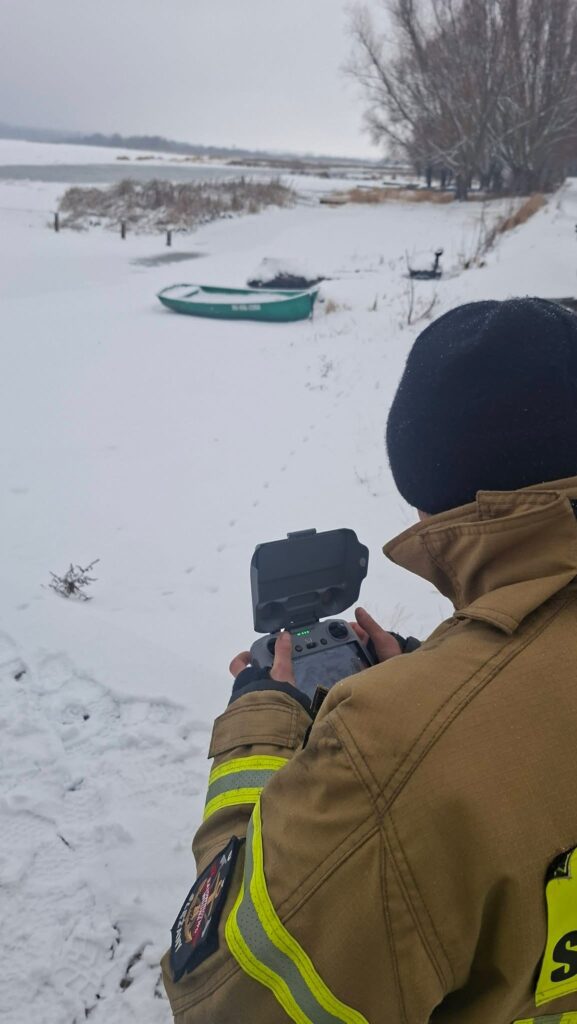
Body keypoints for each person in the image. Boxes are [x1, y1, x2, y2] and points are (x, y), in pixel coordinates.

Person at [162, 297, 577, 1024]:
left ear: (440, 501)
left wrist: (261, 733)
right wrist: (453, 680)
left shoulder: (390, 752)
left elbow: (229, 997)